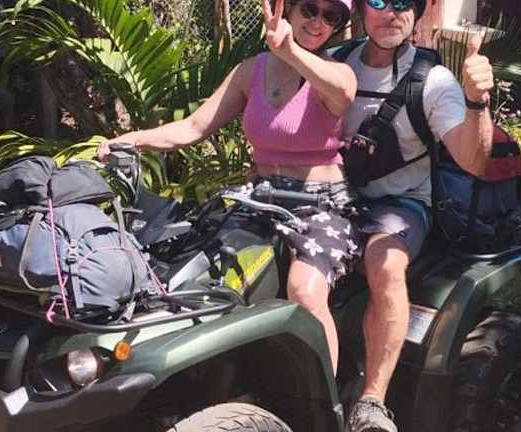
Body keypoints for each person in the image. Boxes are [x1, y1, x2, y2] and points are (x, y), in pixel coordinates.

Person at [98, 0, 358, 374]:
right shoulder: (250, 71)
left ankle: (325, 399)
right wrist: (133, 139)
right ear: (290, 9)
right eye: (310, 9)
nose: (318, 21)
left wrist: (290, 51)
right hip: (260, 200)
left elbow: (342, 94)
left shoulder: (337, 73)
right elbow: (193, 127)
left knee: (305, 290)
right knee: (199, 273)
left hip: (320, 205)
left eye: (331, 16)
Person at [333, 0, 495, 430]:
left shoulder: (433, 80)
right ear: (361, 9)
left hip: (401, 205)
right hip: (333, 199)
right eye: (379, 1)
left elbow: (473, 160)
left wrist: (477, 101)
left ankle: (371, 402)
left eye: (405, 1)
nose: (392, 12)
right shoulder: (336, 60)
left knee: (384, 263)